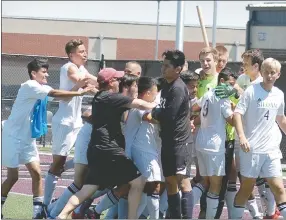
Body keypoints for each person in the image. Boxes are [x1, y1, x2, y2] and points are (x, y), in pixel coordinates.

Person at [57, 68, 157, 219]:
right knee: (138, 181)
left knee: (88, 188)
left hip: (97, 149)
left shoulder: (99, 96)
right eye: (117, 79)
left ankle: (62, 215)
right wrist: (159, 105)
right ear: (111, 82)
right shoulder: (113, 98)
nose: (120, 82)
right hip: (110, 150)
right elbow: (143, 105)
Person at [1, 58, 92, 219]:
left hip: (28, 138)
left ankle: (37, 213)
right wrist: (80, 92)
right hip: (12, 136)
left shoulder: (42, 87)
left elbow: (62, 97)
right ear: (33, 73)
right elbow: (55, 93)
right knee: (13, 177)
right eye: (44, 71)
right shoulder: (29, 86)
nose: (47, 74)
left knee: (36, 173)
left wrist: (81, 87)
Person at [216, 49, 278, 218]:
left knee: (267, 181)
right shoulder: (243, 79)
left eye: (245, 64)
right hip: (242, 137)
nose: (242, 68)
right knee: (246, 181)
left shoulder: (263, 83)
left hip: (262, 141)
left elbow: (254, 101)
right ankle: (256, 214)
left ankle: (270, 212)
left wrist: (236, 92)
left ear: (256, 66)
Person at [43, 39, 98, 207]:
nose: (85, 53)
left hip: (77, 123)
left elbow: (94, 82)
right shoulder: (68, 67)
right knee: (57, 165)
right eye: (81, 51)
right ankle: (45, 206)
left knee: (88, 155)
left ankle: (60, 202)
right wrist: (96, 85)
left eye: (84, 50)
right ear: (71, 54)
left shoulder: (82, 68)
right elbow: (82, 81)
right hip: (64, 123)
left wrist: (108, 87)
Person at [231, 58, 286, 219]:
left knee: (279, 188)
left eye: (273, 73)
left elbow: (280, 119)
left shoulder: (278, 94)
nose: (269, 75)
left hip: (271, 149)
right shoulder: (251, 91)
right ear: (261, 72)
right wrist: (242, 137)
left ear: (278, 75)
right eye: (266, 72)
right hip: (251, 149)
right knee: (247, 188)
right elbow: (237, 114)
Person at [151, 50, 194, 219]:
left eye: (167, 66)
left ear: (178, 69)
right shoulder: (167, 84)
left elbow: (168, 116)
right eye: (163, 64)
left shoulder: (177, 88)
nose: (163, 68)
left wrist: (155, 112)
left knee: (182, 181)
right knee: (169, 181)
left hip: (179, 143)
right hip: (168, 141)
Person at [192, 68, 234, 219]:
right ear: (222, 82)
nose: (232, 87)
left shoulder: (208, 93)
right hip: (214, 146)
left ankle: (186, 211)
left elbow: (195, 107)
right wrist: (241, 110)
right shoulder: (223, 97)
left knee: (204, 182)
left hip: (201, 142)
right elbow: (232, 120)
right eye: (230, 84)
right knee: (216, 185)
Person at [126, 76, 164, 219]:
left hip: (145, 150)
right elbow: (147, 117)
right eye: (155, 92)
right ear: (147, 92)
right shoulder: (142, 104)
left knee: (138, 189)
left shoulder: (144, 103)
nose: (156, 95)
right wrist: (168, 119)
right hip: (141, 150)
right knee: (154, 185)